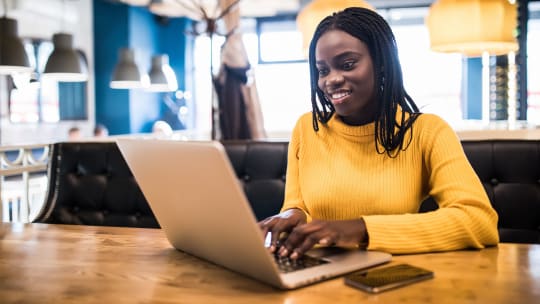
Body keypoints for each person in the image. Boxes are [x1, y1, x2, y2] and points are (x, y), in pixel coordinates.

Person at [258, 7, 499, 259]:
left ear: (382, 64)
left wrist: (360, 229)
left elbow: (478, 220)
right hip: (318, 272)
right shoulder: (307, 128)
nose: (331, 80)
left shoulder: (427, 132)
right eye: (323, 70)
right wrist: (290, 216)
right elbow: (298, 205)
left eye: (347, 64)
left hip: (390, 277)